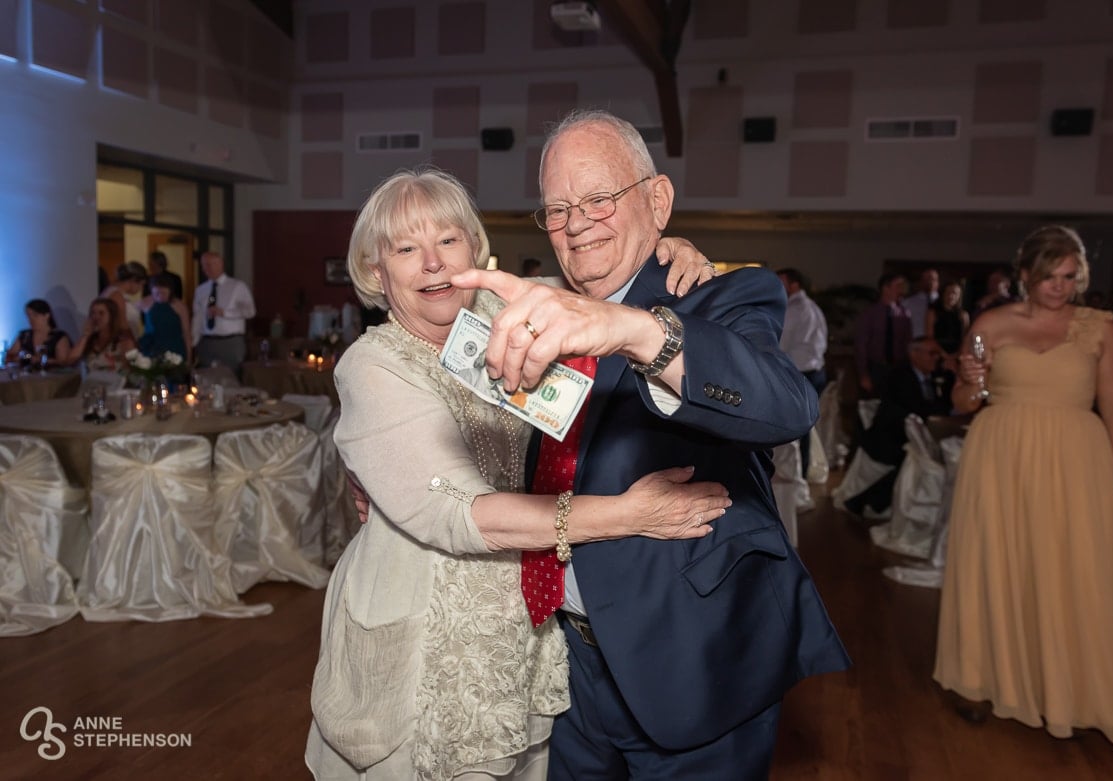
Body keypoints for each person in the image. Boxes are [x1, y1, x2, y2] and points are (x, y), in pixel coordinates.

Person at [451, 109, 849, 779]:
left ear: (656, 200)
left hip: (694, 664)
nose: (577, 223)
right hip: (564, 668)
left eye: (600, 198)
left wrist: (637, 331)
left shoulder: (720, 296)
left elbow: (787, 404)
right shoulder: (535, 312)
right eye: (557, 209)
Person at [305, 167, 727, 781]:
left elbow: (610, 285)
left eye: (448, 240)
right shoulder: (372, 367)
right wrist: (630, 514)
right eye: (405, 248)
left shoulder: (514, 312)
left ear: (475, 247)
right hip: (423, 630)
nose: (432, 264)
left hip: (521, 623)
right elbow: (458, 514)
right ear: (376, 272)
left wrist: (668, 253)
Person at [933, 225, 1113, 754]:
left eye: (1069, 277)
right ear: (1025, 275)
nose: (1060, 287)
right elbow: (967, 401)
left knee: (1073, 570)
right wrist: (971, 379)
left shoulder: (1098, 327)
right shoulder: (992, 322)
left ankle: (1078, 692)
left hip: (1075, 461)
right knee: (1000, 564)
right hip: (1001, 456)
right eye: (1048, 278)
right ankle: (982, 678)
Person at [842, 337, 954, 517]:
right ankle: (866, 501)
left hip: (917, 434)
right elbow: (920, 409)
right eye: (932, 353)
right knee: (917, 457)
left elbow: (947, 404)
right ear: (914, 354)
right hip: (890, 437)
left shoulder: (938, 376)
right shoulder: (900, 376)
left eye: (939, 354)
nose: (937, 359)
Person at [777, 267, 828, 476]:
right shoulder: (813, 307)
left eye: (780, 282)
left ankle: (798, 476)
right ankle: (801, 474)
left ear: (794, 285)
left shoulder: (794, 309)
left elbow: (780, 342)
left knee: (797, 428)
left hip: (800, 374)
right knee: (804, 427)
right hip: (816, 371)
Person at [191, 250, 255, 377]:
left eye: (210, 264)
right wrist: (193, 341)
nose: (206, 268)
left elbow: (250, 311)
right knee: (207, 377)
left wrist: (224, 313)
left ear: (220, 264)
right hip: (207, 341)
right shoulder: (201, 290)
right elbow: (198, 317)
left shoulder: (237, 286)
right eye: (204, 265)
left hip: (229, 341)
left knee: (231, 376)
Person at [854, 272, 912, 397]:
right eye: (898, 286)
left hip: (898, 369)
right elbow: (861, 346)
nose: (902, 290)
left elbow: (907, 343)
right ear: (885, 288)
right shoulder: (869, 314)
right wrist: (863, 374)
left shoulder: (904, 314)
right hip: (876, 368)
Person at [64, 297, 136, 373]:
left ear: (111, 316)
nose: (96, 317)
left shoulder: (124, 342)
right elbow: (69, 361)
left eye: (101, 313)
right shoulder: (90, 341)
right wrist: (85, 336)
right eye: (93, 313)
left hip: (114, 382)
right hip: (91, 383)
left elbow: (133, 370)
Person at [139, 274, 192, 363]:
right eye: (156, 294)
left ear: (170, 291)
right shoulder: (145, 303)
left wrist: (189, 358)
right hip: (152, 349)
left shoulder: (180, 306)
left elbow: (187, 334)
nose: (160, 297)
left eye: (163, 293)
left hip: (175, 348)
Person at [5, 298, 72, 367]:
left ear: (46, 315)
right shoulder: (25, 336)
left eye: (35, 315)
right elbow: (10, 356)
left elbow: (63, 362)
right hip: (25, 375)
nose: (31, 319)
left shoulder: (58, 337)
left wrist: (42, 360)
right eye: (28, 316)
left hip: (53, 375)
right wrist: (21, 358)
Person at [100, 260, 149, 339]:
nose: (140, 288)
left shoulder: (113, 292)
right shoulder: (116, 295)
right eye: (141, 284)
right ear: (133, 280)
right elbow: (122, 325)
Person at [925, 280, 970, 357]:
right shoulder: (932, 312)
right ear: (943, 293)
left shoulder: (963, 315)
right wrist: (942, 354)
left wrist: (957, 354)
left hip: (957, 354)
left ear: (959, 296)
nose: (951, 296)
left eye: (955, 293)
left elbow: (965, 339)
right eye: (948, 292)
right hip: (937, 353)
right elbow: (930, 337)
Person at [903, 268, 939, 337]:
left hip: (938, 344)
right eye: (927, 279)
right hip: (915, 341)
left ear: (938, 282)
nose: (930, 282)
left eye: (933, 279)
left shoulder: (944, 302)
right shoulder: (907, 303)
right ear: (921, 281)